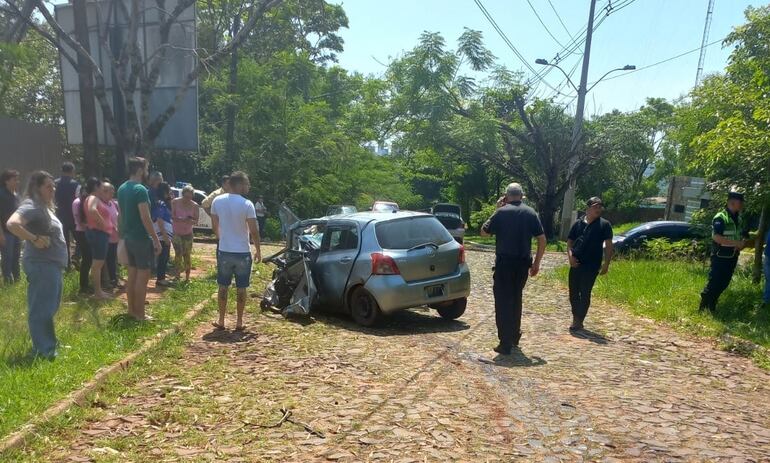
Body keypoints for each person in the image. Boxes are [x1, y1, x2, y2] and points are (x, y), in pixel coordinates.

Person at [6, 171, 68, 359]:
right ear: (36, 188)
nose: (53, 189)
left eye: (53, 186)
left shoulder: (44, 207)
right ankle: (43, 350)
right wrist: (34, 238)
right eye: (48, 186)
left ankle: (48, 344)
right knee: (42, 307)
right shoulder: (31, 205)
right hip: (41, 265)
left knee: (49, 306)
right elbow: (12, 224)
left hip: (51, 265)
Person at [480, 183, 546, 355]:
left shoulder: (501, 212)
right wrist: (537, 263)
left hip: (505, 264)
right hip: (523, 264)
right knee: (516, 299)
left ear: (506, 196)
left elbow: (484, 232)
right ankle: (515, 336)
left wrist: (496, 209)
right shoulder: (531, 213)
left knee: (503, 302)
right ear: (522, 196)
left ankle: (505, 342)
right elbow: (542, 239)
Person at [210, 171, 261, 331]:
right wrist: (258, 249)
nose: (248, 187)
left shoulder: (217, 201)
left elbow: (214, 226)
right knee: (241, 287)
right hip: (242, 251)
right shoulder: (247, 204)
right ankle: (239, 321)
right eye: (247, 184)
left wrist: (221, 239)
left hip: (225, 250)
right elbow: (254, 230)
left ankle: (221, 320)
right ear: (239, 184)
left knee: (223, 286)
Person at [118, 157, 162, 321]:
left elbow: (120, 215)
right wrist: (156, 239)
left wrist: (121, 234)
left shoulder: (122, 188)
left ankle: (131, 311)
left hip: (128, 237)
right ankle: (141, 315)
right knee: (142, 279)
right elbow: (145, 217)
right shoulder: (140, 189)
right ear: (140, 170)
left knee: (132, 275)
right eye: (146, 168)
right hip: (141, 238)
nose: (147, 171)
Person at [566, 197, 614, 331]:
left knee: (585, 291)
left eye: (600, 207)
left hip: (591, 265)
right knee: (573, 292)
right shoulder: (578, 224)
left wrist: (606, 264)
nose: (598, 209)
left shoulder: (604, 225)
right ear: (588, 209)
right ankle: (575, 316)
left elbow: (609, 246)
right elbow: (569, 242)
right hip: (576, 263)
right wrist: (570, 257)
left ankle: (578, 320)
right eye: (595, 207)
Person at [699, 190, 749, 312]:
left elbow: (743, 234)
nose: (742, 204)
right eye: (740, 202)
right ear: (732, 202)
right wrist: (736, 243)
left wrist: (743, 242)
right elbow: (717, 237)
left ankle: (712, 302)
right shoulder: (721, 217)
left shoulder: (739, 218)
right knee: (715, 280)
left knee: (724, 282)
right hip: (720, 255)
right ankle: (704, 306)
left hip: (732, 255)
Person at [85, 178, 114, 300]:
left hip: (98, 233)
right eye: (101, 187)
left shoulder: (93, 198)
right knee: (97, 264)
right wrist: (103, 225)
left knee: (98, 264)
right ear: (96, 187)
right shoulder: (93, 198)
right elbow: (92, 210)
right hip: (98, 233)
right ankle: (98, 293)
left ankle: (98, 291)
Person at [54, 162, 80, 267]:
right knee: (81, 239)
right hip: (73, 215)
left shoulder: (54, 183)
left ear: (62, 170)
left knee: (64, 241)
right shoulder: (76, 184)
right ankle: (76, 256)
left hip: (59, 214)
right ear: (72, 171)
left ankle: (66, 264)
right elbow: (79, 199)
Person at [172, 184, 198, 281]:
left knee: (187, 254)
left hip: (188, 233)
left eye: (189, 197)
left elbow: (196, 220)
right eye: (185, 196)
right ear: (182, 194)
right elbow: (171, 216)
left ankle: (187, 277)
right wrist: (179, 219)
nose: (187, 199)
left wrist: (190, 221)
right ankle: (177, 275)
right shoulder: (175, 202)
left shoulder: (194, 205)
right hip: (176, 232)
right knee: (178, 253)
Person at [72, 181, 94, 294]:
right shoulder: (77, 202)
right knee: (87, 258)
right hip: (81, 232)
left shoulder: (87, 201)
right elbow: (80, 222)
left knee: (89, 258)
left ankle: (87, 283)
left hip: (88, 232)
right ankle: (83, 285)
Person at [0, 169, 21, 283]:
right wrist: (1, 234)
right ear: (6, 181)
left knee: (16, 258)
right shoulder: (1, 194)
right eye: (15, 179)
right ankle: (7, 282)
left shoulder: (16, 194)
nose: (18, 182)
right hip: (5, 232)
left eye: (18, 179)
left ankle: (17, 281)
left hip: (16, 232)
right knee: (7, 258)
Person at [152, 182, 174, 287]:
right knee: (162, 257)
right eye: (169, 191)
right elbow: (159, 221)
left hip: (165, 235)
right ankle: (160, 279)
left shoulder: (165, 203)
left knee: (165, 257)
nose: (170, 193)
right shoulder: (161, 203)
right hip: (162, 236)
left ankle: (162, 277)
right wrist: (165, 236)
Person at [103, 182, 121, 289]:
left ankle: (114, 279)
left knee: (113, 259)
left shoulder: (113, 203)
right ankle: (107, 281)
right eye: (111, 190)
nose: (113, 192)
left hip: (115, 236)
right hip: (106, 236)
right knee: (106, 259)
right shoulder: (100, 204)